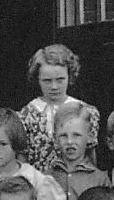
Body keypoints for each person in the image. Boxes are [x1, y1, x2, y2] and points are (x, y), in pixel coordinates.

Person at [19, 44, 100, 172]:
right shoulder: (28, 114)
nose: (54, 86)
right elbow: (22, 157)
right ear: (38, 79)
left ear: (70, 76)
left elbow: (90, 155)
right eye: (47, 80)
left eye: (60, 79)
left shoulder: (85, 111)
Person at [45, 103, 109, 200]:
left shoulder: (99, 179)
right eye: (63, 136)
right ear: (55, 138)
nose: (70, 142)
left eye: (77, 135)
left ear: (89, 137)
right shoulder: (46, 177)